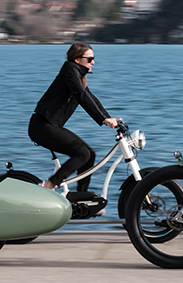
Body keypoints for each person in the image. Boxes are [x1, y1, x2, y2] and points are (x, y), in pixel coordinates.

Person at [28, 42, 119, 191]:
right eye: (89, 59)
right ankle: (50, 185)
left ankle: (81, 197)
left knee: (90, 155)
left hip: (51, 126)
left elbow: (91, 98)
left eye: (93, 58)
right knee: (82, 153)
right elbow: (81, 96)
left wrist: (109, 118)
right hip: (41, 126)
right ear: (77, 59)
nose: (93, 62)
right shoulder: (70, 71)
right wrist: (103, 119)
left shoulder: (78, 75)